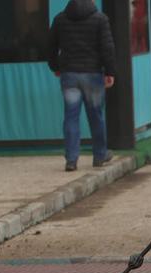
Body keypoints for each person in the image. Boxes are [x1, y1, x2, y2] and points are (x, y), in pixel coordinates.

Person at [48, 0, 116, 172]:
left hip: (69, 74)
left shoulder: (60, 19)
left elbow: (50, 46)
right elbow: (107, 48)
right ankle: (100, 155)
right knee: (95, 116)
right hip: (93, 74)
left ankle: (71, 160)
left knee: (71, 116)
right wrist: (110, 72)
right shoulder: (101, 19)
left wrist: (56, 67)